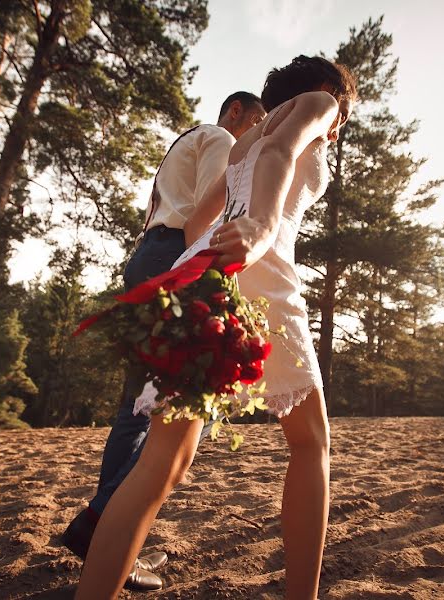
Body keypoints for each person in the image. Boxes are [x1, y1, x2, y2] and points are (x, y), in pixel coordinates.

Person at [75, 56, 357, 599]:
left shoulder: (246, 137)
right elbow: (281, 154)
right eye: (343, 110)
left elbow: (201, 217)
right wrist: (262, 226)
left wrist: (205, 264)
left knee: (161, 464)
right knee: (310, 445)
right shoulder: (318, 105)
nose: (338, 122)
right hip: (260, 257)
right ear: (327, 91)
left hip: (209, 268)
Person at [60, 91, 267, 591]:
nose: (256, 132)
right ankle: (102, 525)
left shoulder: (181, 144)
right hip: (178, 258)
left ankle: (111, 536)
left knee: (134, 409)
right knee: (161, 413)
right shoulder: (220, 137)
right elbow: (208, 214)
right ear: (235, 112)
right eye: (256, 120)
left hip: (147, 255)